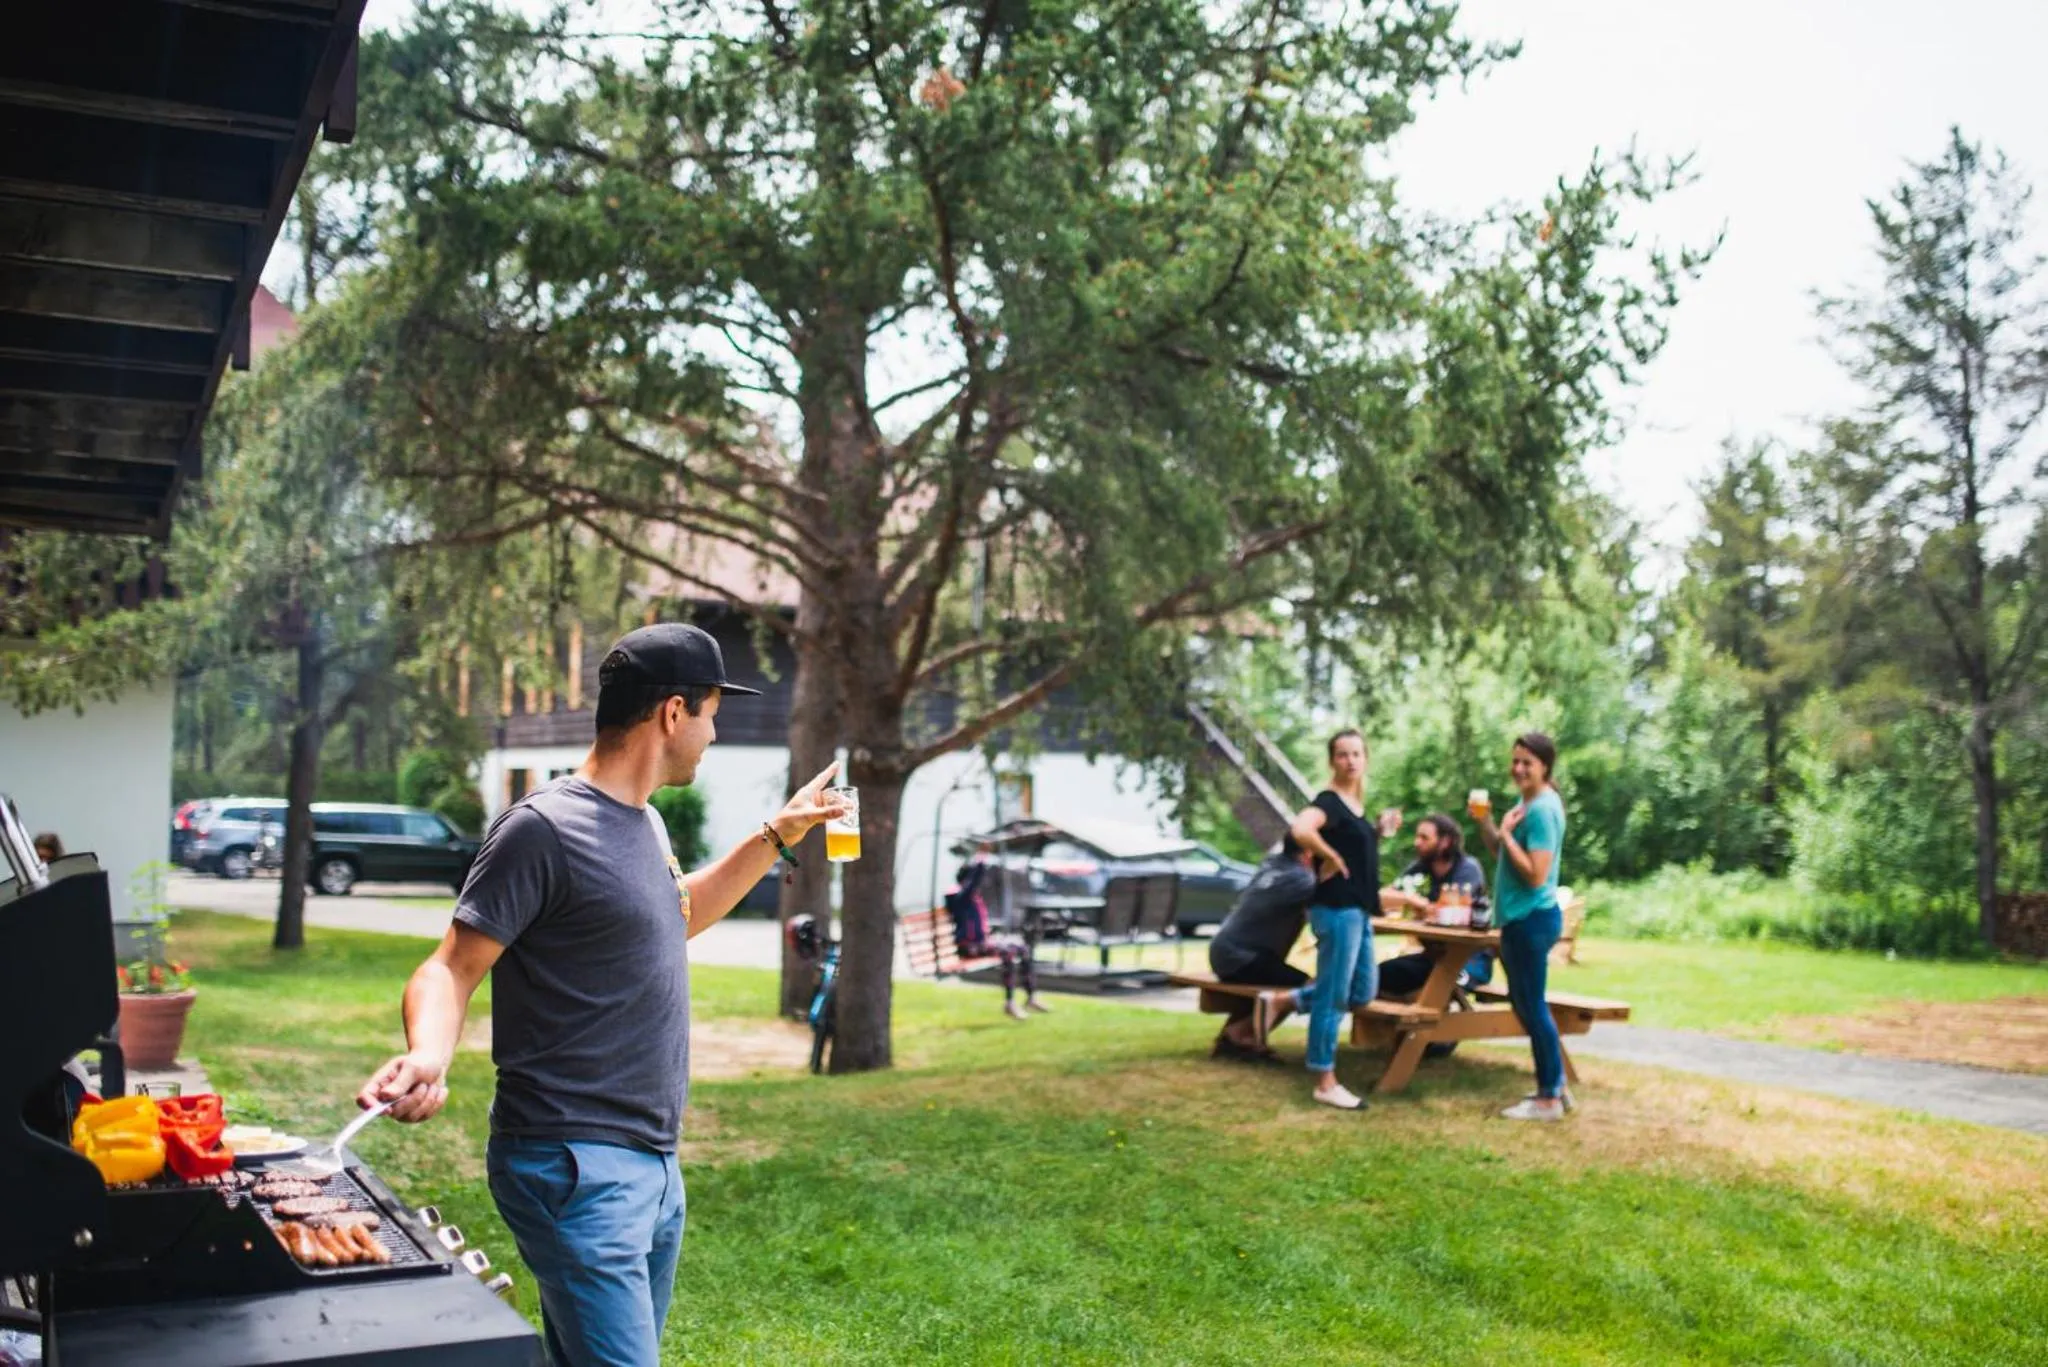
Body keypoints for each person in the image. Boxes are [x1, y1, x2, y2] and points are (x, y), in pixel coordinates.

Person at [354, 624, 849, 1366]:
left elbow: (675, 914)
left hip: (650, 1162)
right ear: (673, 713)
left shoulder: (645, 822)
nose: (714, 734)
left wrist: (777, 834)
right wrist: (429, 1051)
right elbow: (450, 966)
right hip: (573, 1160)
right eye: (712, 712)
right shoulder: (541, 829)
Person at [1253, 729, 1401, 1110]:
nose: (1350, 761)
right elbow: (1301, 829)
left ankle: (1286, 1001)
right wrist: (1329, 856)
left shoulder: (1354, 806)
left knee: (1362, 991)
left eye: (1356, 754)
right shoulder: (1329, 802)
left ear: (1365, 759)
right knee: (1334, 997)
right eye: (1342, 754)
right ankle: (1324, 1079)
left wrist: (1377, 832)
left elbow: (1356, 849)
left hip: (1359, 911)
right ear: (1332, 761)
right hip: (1336, 910)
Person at [1474, 732, 1571, 1121]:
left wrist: (1508, 834)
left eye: (1526, 762)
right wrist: (1488, 825)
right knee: (1526, 1004)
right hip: (1519, 919)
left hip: (1532, 918)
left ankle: (1549, 1096)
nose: (1518, 769)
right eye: (1515, 761)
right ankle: (1554, 1086)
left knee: (1532, 1005)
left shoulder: (1543, 809)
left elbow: (1535, 875)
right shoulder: (1527, 802)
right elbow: (1503, 854)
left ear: (1545, 766)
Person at [1205, 846, 1317, 1063]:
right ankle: (1239, 1036)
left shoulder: (1273, 865)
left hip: (1225, 951)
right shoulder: (1301, 880)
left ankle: (1237, 1038)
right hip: (1243, 957)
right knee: (1302, 991)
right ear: (1308, 854)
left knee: (1283, 983)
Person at [1376, 813, 1494, 998]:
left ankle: (1413, 1023)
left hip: (1468, 960)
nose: (1417, 842)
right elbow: (1380, 897)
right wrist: (1411, 899)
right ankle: (1389, 1024)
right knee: (1376, 976)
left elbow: (1456, 914)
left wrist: (1425, 910)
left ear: (1445, 841)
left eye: (1424, 837)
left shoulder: (1467, 869)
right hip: (1434, 957)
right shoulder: (1421, 868)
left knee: (1433, 991)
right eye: (1417, 836)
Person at [944, 842, 1048, 1020]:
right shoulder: (959, 897)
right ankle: (1009, 1003)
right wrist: (982, 857)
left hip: (979, 942)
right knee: (1008, 954)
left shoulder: (968, 899)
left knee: (1023, 949)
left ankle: (1030, 997)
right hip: (969, 946)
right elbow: (973, 881)